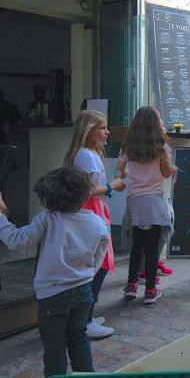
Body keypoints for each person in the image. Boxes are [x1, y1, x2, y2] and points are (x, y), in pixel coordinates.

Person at [0, 167, 110, 377]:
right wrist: (85, 276)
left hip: (53, 296)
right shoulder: (97, 222)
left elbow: (16, 240)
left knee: (55, 348)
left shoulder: (48, 218)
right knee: (79, 339)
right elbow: (99, 256)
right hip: (83, 291)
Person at [64, 110, 125, 339]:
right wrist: (111, 186)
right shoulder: (86, 156)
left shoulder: (86, 154)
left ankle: (86, 316)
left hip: (95, 212)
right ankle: (84, 320)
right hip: (91, 213)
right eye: (102, 128)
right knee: (97, 266)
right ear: (89, 131)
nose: (107, 132)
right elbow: (86, 191)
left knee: (98, 264)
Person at [116, 107, 176, 305]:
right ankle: (150, 290)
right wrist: (171, 167)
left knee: (137, 246)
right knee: (152, 248)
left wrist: (131, 177)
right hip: (154, 202)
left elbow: (120, 171)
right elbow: (166, 174)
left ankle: (131, 286)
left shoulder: (128, 147)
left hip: (135, 201)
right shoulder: (161, 148)